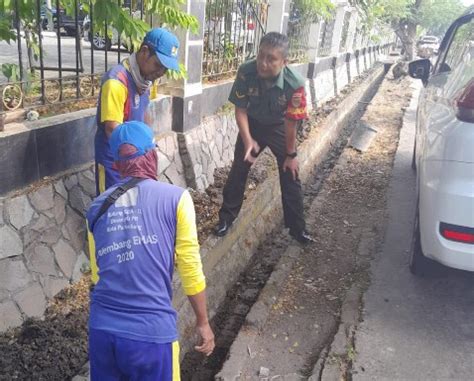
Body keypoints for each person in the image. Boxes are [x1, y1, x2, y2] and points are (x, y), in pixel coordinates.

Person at [86, 121, 215, 380]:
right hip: (151, 335)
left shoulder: (96, 208)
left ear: (117, 164)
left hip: (102, 331)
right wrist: (203, 323)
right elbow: (189, 267)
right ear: (152, 155)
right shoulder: (177, 198)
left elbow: (98, 274)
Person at [214, 32, 314, 244]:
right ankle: (225, 220)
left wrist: (291, 154)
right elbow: (240, 109)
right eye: (261, 56)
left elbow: (291, 122)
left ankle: (298, 230)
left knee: (291, 173)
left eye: (271, 59)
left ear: (284, 62)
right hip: (253, 124)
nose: (263, 63)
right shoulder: (246, 71)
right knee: (239, 170)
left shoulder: (294, 83)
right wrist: (248, 140)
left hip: (279, 125)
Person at [95, 28, 180, 195]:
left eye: (165, 69)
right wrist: (134, 160)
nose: (160, 72)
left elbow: (144, 112)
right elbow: (112, 129)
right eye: (158, 65)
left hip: (137, 160)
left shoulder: (147, 79)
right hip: (115, 161)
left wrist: (149, 145)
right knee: (112, 207)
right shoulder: (116, 82)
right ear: (144, 51)